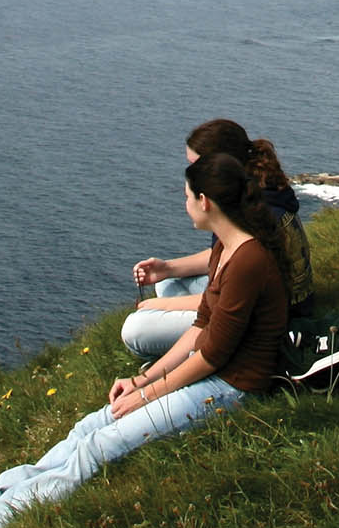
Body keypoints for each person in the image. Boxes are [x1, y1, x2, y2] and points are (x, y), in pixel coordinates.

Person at [0, 151, 289, 528]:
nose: (184, 205)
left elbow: (212, 355)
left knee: (98, 447)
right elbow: (200, 326)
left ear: (206, 202)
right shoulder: (225, 250)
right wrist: (139, 380)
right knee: (86, 429)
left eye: (186, 196)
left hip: (233, 386)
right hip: (213, 375)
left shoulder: (247, 260)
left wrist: (147, 395)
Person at [122, 119, 311, 360]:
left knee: (136, 329)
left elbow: (234, 292)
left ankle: (201, 348)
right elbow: (226, 256)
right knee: (166, 283)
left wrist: (161, 307)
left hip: (274, 318)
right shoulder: (251, 193)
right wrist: (167, 268)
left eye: (195, 165)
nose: (190, 174)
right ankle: (194, 342)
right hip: (253, 298)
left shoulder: (255, 215)